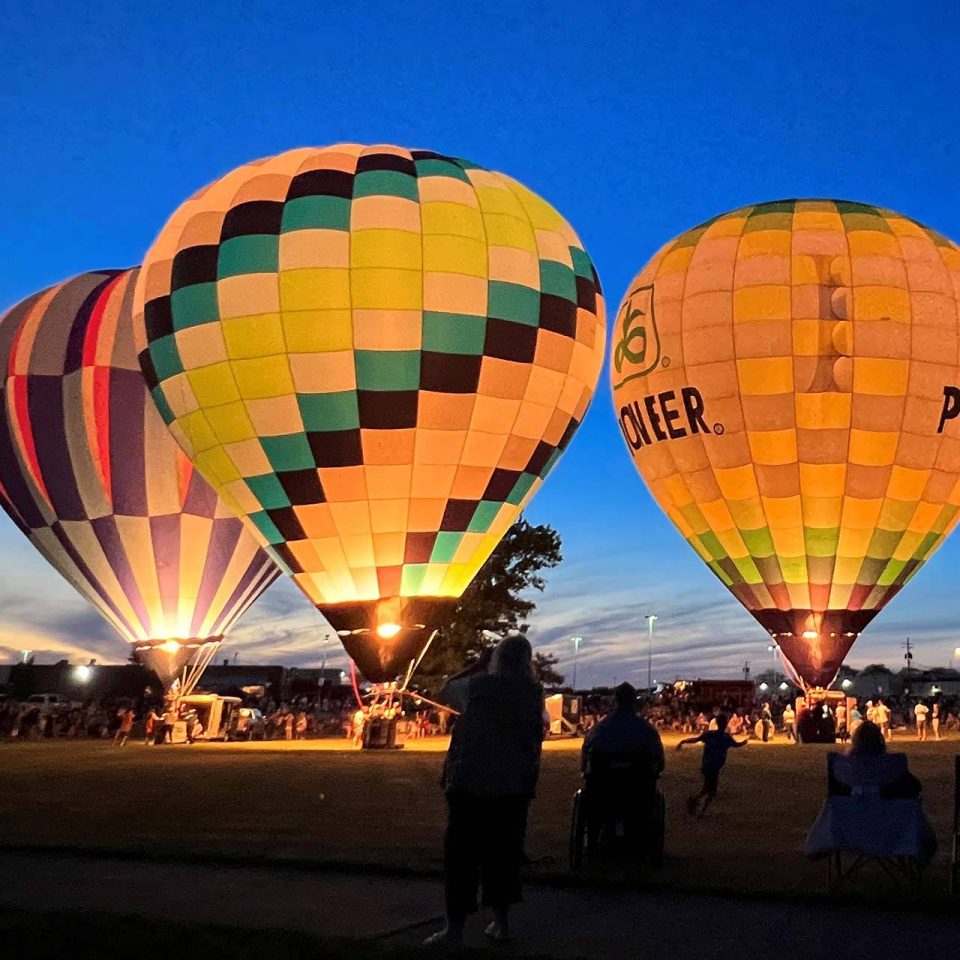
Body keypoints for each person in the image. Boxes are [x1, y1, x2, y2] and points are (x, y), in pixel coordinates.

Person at [425, 635, 544, 947]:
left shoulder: (478, 687)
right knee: (503, 855)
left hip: (470, 781)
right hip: (513, 785)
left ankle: (455, 928)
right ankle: (501, 923)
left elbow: (447, 687)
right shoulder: (533, 693)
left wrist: (476, 665)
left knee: (461, 856)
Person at [582, 682, 665, 774]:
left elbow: (584, 763)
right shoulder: (649, 732)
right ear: (634, 701)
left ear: (615, 701)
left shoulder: (597, 731)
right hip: (640, 786)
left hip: (603, 785)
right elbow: (660, 764)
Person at [676, 713, 747, 817]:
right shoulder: (725, 737)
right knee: (711, 790)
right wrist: (744, 742)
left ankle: (697, 806)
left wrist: (683, 741)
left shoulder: (710, 734)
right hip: (714, 767)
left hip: (707, 765)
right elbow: (737, 745)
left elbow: (695, 740)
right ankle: (699, 809)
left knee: (708, 788)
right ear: (726, 723)